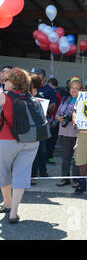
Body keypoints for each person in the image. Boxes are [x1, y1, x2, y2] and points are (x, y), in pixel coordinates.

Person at [0, 68, 39, 223]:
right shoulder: (32, 97)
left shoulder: (3, 97)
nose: (3, 83)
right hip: (31, 140)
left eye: (6, 80)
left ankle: (7, 203)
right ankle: (13, 213)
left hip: (6, 140)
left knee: (3, 172)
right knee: (21, 175)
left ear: (13, 82)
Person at [54, 79, 82, 187]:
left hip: (77, 133)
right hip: (64, 132)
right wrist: (58, 118)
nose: (74, 90)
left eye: (77, 88)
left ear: (81, 90)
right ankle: (65, 178)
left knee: (77, 158)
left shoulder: (83, 100)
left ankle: (76, 179)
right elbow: (56, 114)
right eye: (72, 88)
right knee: (66, 157)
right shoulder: (65, 98)